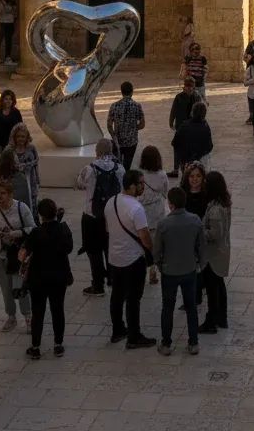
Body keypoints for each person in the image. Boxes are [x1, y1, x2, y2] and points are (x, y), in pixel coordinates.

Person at [105, 169, 156, 348]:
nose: (144, 186)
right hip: (133, 259)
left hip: (114, 258)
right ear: (132, 186)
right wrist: (152, 249)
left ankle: (118, 330)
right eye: (141, 183)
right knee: (134, 299)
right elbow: (144, 237)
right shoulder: (136, 208)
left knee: (117, 296)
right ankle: (134, 337)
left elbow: (108, 229)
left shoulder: (111, 201)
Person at [153, 186, 205, 356]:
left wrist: (160, 265)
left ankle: (166, 344)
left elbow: (157, 251)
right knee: (191, 307)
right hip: (189, 270)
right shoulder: (195, 220)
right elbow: (201, 246)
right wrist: (199, 263)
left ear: (170, 203)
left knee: (167, 307)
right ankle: (194, 343)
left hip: (169, 272)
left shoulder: (163, 224)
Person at [21, 198, 73, 359]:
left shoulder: (36, 233)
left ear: (40, 215)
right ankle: (58, 345)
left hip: (38, 278)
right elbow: (69, 249)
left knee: (38, 312)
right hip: (59, 276)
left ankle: (35, 347)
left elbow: (23, 254)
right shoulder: (64, 229)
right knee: (58, 309)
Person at [0, 178, 35, 330]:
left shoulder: (22, 208)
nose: (0, 196)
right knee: (5, 287)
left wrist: (15, 233)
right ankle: (11, 316)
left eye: (3, 193)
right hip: (0, 255)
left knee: (20, 286)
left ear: (10, 194)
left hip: (18, 255)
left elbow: (32, 228)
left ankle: (28, 316)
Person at [76, 139, 125, 295]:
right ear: (111, 150)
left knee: (93, 251)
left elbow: (80, 184)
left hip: (92, 215)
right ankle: (112, 278)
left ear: (96, 151)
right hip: (112, 215)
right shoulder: (119, 169)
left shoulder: (89, 169)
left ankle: (98, 285)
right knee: (110, 248)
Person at [200, 171, 232, 332]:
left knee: (213, 288)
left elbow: (214, 234)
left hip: (214, 254)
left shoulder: (215, 210)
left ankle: (211, 321)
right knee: (219, 285)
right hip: (221, 251)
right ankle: (221, 318)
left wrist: (200, 231)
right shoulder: (223, 203)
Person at [138, 145, 169, 285]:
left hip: (143, 213)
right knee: (156, 243)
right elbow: (165, 191)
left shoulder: (139, 175)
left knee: (144, 243)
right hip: (158, 212)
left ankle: (146, 266)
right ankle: (154, 269)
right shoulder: (162, 175)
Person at [106, 81, 145, 170]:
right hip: (132, 142)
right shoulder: (137, 106)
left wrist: (114, 137)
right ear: (132, 92)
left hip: (118, 141)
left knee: (117, 167)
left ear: (121, 92)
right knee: (127, 166)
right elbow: (142, 124)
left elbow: (109, 125)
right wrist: (133, 128)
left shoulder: (114, 106)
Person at [171, 101, 213, 172]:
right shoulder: (205, 127)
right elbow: (209, 146)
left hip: (186, 162)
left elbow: (175, 143)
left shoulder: (184, 126)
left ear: (192, 112)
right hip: (201, 162)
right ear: (204, 114)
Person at [9, 122, 41, 216]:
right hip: (15, 183)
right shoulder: (9, 150)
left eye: (23, 136)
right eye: (18, 136)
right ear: (14, 137)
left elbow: (36, 165)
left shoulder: (31, 149)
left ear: (27, 137)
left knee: (31, 206)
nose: (20, 139)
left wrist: (38, 181)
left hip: (30, 182)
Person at [169, 77, 199, 173]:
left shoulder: (196, 97)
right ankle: (175, 169)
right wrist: (171, 121)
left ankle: (190, 167)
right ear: (184, 87)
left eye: (191, 87)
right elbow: (173, 110)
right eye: (187, 86)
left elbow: (200, 110)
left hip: (192, 127)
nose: (189, 89)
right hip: (180, 126)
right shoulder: (179, 97)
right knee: (177, 147)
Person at [0, 0, 17, 65]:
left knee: (9, 41)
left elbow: (14, 10)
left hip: (10, 22)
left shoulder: (11, 0)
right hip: (1, 22)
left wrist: (10, 3)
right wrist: (3, 2)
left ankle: (7, 57)